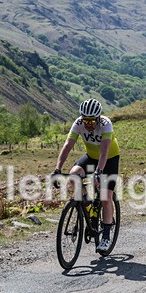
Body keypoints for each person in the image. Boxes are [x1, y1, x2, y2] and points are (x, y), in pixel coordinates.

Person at [53, 98, 120, 253]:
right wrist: (57, 169)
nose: (88, 124)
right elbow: (67, 145)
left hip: (109, 158)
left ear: (98, 118)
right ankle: (86, 202)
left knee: (105, 197)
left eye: (91, 120)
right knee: (73, 175)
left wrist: (98, 173)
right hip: (91, 156)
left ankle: (105, 236)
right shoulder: (78, 123)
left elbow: (104, 153)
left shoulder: (106, 124)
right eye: (85, 120)